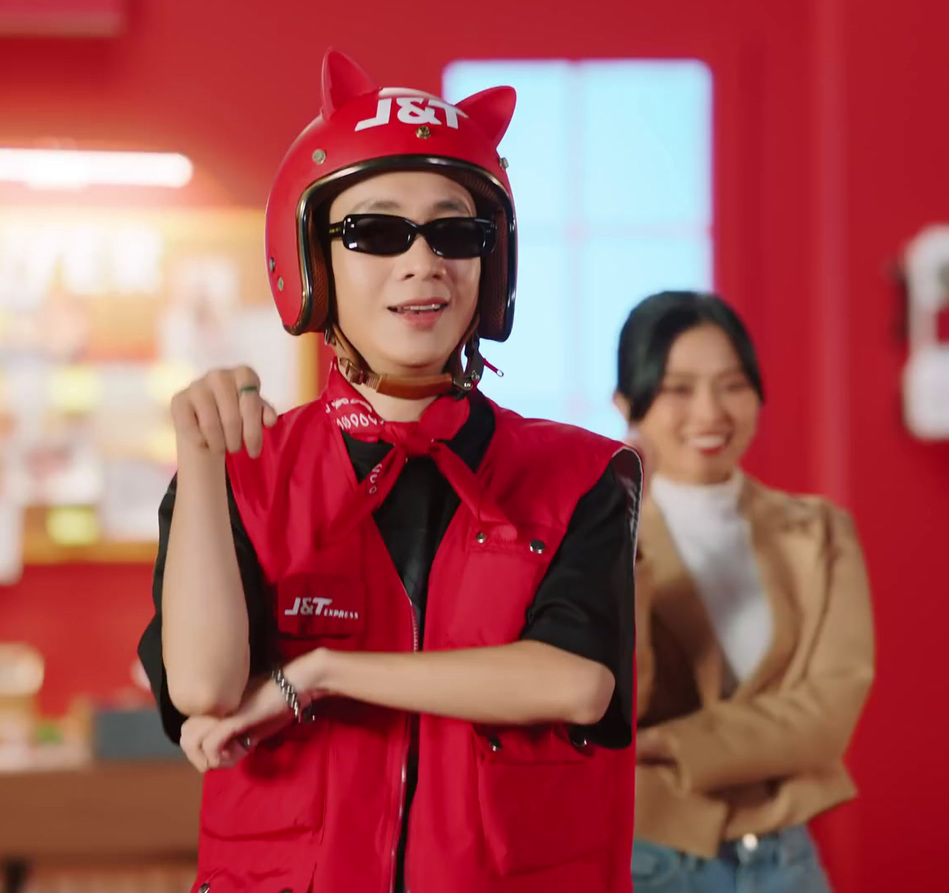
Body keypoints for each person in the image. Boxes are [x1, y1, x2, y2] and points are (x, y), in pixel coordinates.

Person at [135, 49, 641, 893]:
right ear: (312, 262)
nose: (423, 263)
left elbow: (578, 681)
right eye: (375, 232)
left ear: (494, 263)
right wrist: (199, 456)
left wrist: (320, 671)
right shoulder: (243, 469)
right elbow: (204, 686)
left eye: (456, 232)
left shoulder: (583, 473)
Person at [618, 291, 873, 893]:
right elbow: (620, 699)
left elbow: (828, 713)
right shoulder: (597, 534)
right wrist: (619, 537)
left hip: (786, 861)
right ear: (628, 404)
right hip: (651, 858)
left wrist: (670, 743)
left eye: (732, 384)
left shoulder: (819, 530)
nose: (710, 411)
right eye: (678, 389)